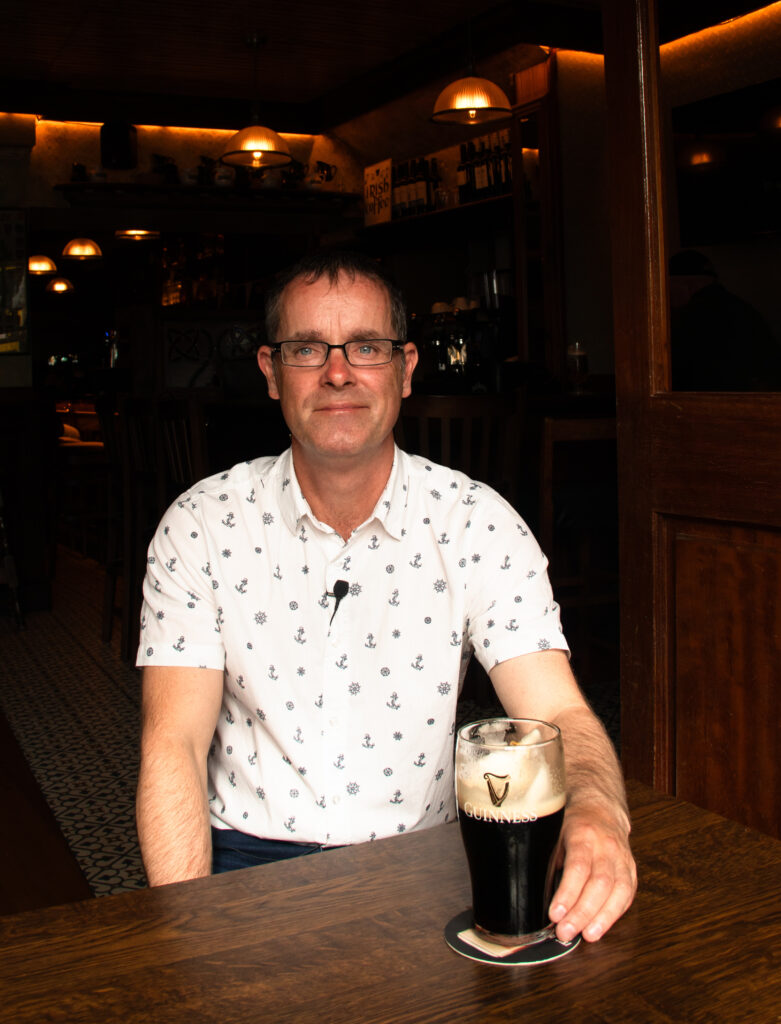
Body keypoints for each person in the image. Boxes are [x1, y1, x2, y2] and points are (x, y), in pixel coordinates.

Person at [136, 250, 636, 945]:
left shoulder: (476, 522)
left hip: (423, 860)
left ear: (404, 369)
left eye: (364, 347)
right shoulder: (200, 524)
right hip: (245, 860)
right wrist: (188, 933)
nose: (336, 373)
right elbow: (175, 747)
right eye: (307, 348)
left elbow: (556, 710)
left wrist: (599, 815)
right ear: (270, 372)